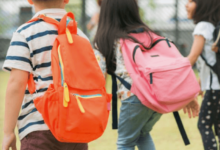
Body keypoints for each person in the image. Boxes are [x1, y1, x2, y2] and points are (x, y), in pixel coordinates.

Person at [94, 0, 199, 150]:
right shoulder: (149, 34)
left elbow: (98, 75)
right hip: (156, 95)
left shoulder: (106, 38)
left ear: (106, 12)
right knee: (142, 134)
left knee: (125, 142)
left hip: (134, 96)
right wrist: (187, 95)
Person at [2, 0, 89, 150]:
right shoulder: (80, 35)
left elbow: (16, 84)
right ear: (66, 0)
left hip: (38, 128)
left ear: (30, 0)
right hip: (75, 128)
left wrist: (8, 132)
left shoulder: (25, 33)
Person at [186, 0, 220, 149]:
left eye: (191, 1)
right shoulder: (213, 26)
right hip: (215, 86)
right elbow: (210, 62)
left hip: (215, 88)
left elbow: (192, 58)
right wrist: (199, 84)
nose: (186, 5)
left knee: (204, 124)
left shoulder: (203, 26)